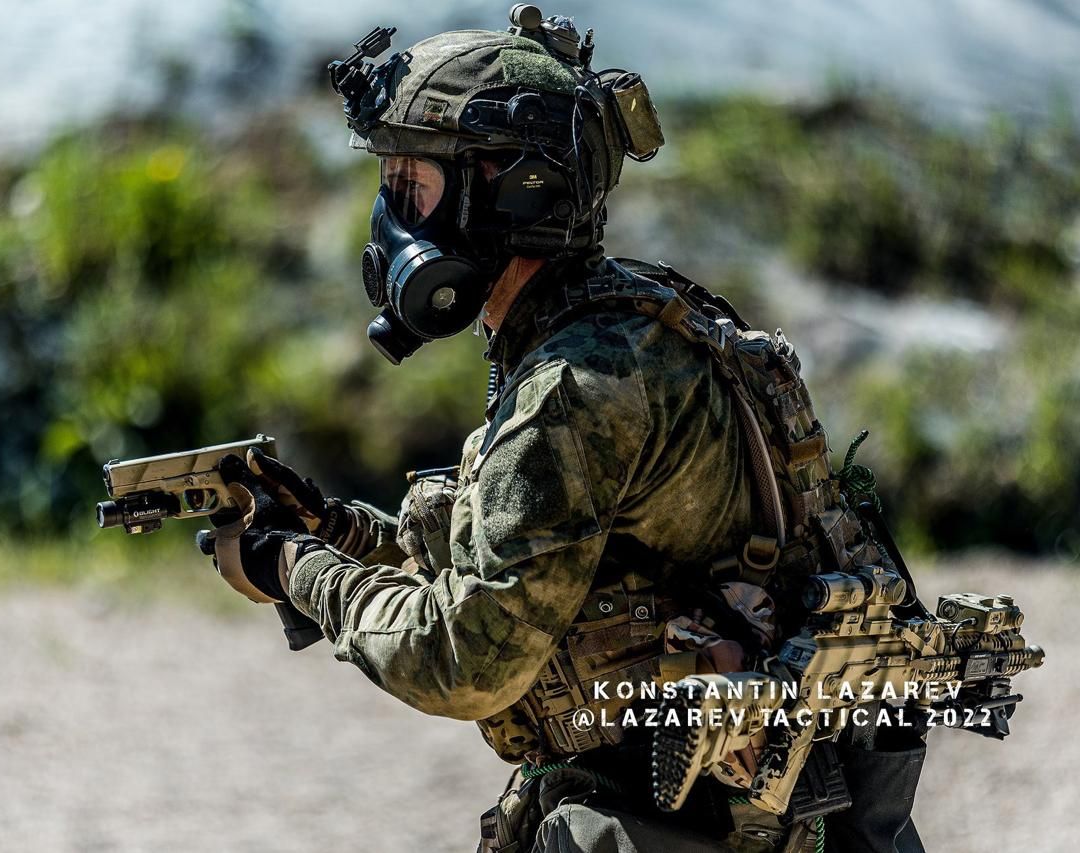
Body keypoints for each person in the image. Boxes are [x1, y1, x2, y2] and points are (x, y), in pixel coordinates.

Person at [199, 8, 927, 852]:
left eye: (412, 185)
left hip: (694, 818)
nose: (392, 218)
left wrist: (299, 570)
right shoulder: (633, 322)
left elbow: (466, 657)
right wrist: (335, 530)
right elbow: (536, 572)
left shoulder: (573, 389)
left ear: (508, 190)